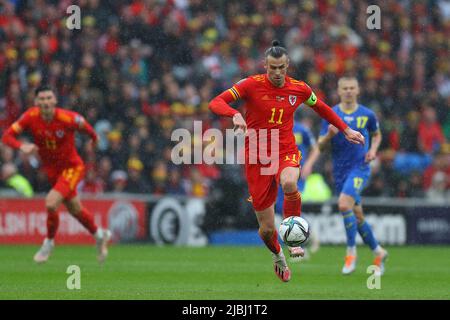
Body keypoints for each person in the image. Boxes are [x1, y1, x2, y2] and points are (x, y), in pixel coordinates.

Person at [209, 41, 365, 282]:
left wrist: (345, 129)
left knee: (290, 182)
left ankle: (294, 240)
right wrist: (235, 114)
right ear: (265, 66)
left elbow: (322, 108)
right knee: (267, 228)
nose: (278, 72)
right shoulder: (251, 84)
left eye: (281, 67)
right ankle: (278, 255)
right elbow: (216, 102)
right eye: (273, 68)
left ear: (287, 66)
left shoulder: (299, 89)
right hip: (257, 156)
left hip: (285, 150)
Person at [1, 85, 112, 264]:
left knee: (51, 203)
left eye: (48, 98)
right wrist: (21, 146)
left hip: (72, 168)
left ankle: (49, 243)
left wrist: (94, 140)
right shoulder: (30, 117)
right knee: (75, 209)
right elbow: (7, 136)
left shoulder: (66, 118)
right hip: (53, 172)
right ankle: (100, 235)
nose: (45, 102)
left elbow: (85, 126)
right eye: (42, 99)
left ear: (55, 101)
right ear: (36, 102)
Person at [318, 76, 388, 276]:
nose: (348, 91)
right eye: (345, 88)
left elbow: (377, 134)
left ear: (358, 90)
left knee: (343, 205)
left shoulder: (367, 114)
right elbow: (321, 146)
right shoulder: (331, 114)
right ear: (339, 91)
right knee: (357, 216)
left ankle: (351, 253)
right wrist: (329, 135)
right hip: (340, 171)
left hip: (360, 168)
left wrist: (373, 150)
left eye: (352, 88)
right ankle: (378, 251)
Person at [274, 119, 321, 260]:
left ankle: (299, 246)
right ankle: (310, 234)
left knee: (287, 207)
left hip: (297, 172)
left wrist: (308, 165)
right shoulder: (274, 128)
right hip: (279, 172)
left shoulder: (302, 129)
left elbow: (315, 148)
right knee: (280, 209)